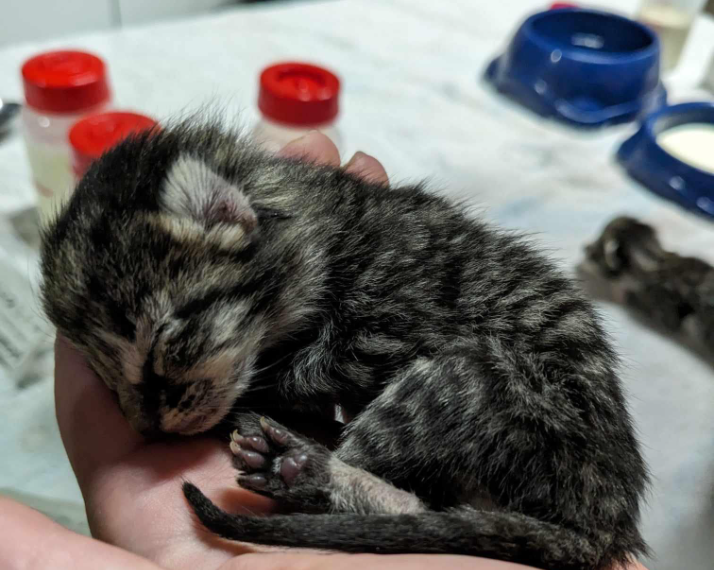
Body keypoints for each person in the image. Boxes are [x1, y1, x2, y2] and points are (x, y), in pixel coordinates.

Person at [0, 133, 649, 570]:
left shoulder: (369, 253)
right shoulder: (297, 272)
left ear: (228, 218)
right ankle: (385, 499)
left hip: (543, 438)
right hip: (502, 464)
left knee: (454, 381)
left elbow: (353, 362)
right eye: (123, 384)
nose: (153, 418)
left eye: (177, 348)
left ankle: (353, 489)